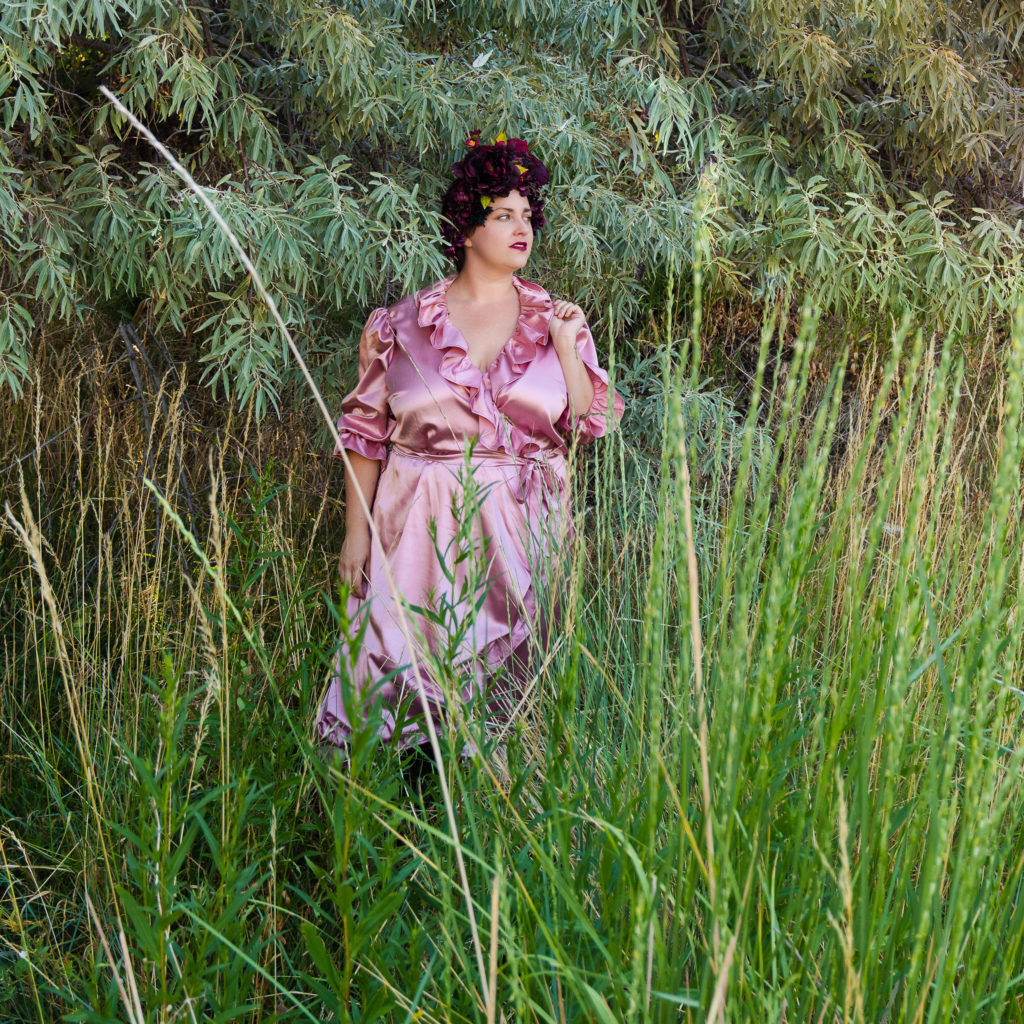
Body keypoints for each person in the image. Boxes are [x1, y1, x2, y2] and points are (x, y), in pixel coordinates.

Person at [316, 131, 624, 752]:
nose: (522, 227)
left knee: (510, 695)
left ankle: (498, 818)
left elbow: (584, 423)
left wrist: (565, 349)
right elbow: (365, 434)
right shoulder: (401, 324)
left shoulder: (557, 322)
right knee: (395, 672)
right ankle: (387, 807)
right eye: (502, 214)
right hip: (415, 526)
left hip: (522, 525)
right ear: (466, 228)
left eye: (527, 215)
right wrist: (356, 534)